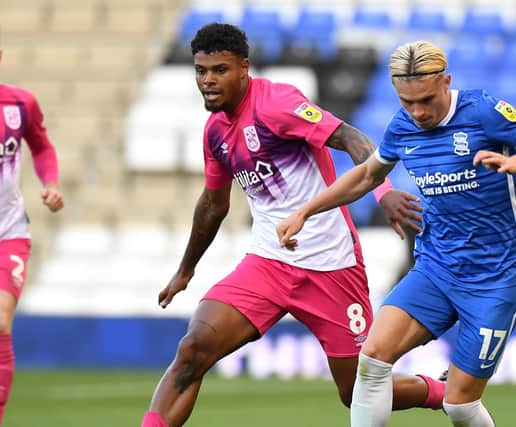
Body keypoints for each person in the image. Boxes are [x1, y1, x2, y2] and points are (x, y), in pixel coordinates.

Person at [141, 24, 447, 427]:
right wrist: (185, 269)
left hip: (330, 266)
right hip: (267, 263)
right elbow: (213, 205)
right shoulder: (215, 131)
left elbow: (352, 138)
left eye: (220, 70)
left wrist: (383, 191)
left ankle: (445, 391)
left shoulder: (277, 104)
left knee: (355, 391)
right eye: (201, 71)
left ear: (244, 68)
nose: (208, 81)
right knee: (194, 349)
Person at [277, 40, 516, 427]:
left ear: (446, 82)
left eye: (426, 100)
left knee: (460, 406)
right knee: (371, 360)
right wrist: (305, 211)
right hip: (436, 269)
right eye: (407, 102)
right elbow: (368, 174)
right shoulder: (402, 127)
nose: (417, 112)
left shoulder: (484, 111)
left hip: (495, 279)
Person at [0, 49, 64, 423]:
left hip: (9, 232)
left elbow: (41, 146)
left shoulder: (20, 103)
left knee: (1, 321)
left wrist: (51, 183)